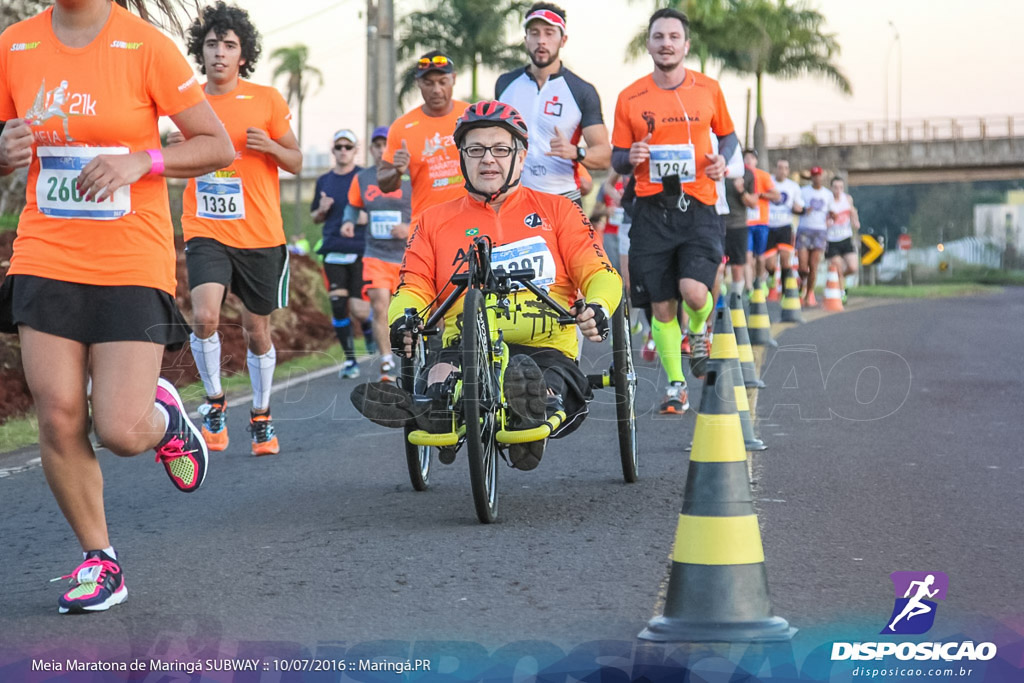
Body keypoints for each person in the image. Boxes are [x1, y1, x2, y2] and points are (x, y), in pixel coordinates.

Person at [0, 0, 234, 614]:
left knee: (120, 429)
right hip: (45, 251)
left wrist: (144, 159)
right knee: (57, 415)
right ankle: (99, 559)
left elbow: (217, 144)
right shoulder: (15, 45)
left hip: (131, 257)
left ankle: (164, 424)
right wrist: (2, 151)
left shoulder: (145, 46)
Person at [351, 101, 621, 471]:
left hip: (544, 347)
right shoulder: (432, 221)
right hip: (463, 348)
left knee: (542, 376)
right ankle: (431, 406)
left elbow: (598, 271)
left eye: (500, 149)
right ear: (461, 158)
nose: (488, 160)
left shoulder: (559, 211)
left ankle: (531, 406)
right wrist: (404, 319)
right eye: (476, 150)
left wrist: (598, 306)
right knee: (443, 378)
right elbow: (412, 286)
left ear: (520, 158)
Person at [175, 1, 302, 456]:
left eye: (229, 45)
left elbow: (296, 160)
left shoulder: (265, 100)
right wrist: (173, 147)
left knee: (256, 330)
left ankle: (262, 416)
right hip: (206, 229)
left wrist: (270, 145)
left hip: (261, 235)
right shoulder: (187, 102)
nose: (220, 53)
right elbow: (163, 160)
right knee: (205, 316)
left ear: (243, 54)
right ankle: (214, 404)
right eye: (212, 44)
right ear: (201, 51)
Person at [610, 7, 739, 415]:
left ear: (685, 45)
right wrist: (630, 156)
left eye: (673, 36)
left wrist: (723, 161)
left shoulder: (709, 89)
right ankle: (675, 385)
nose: (666, 43)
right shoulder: (629, 97)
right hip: (650, 209)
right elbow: (615, 159)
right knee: (661, 306)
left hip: (699, 205)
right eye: (658, 36)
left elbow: (729, 137)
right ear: (648, 45)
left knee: (694, 292)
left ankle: (699, 329)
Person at [495, 2, 611, 205]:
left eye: (549, 33)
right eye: (534, 33)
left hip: (564, 198)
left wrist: (576, 152)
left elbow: (604, 155)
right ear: (526, 39)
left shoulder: (581, 90)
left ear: (563, 40)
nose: (541, 41)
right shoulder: (505, 84)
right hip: (514, 198)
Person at [342, 125, 413, 382]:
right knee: (380, 304)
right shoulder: (362, 178)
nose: (381, 149)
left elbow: (428, 210)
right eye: (377, 145)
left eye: (386, 145)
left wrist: (409, 227)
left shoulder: (411, 176)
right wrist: (348, 222)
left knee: (412, 311)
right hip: (376, 255)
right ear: (371, 149)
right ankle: (386, 361)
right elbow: (353, 206)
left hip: (408, 256)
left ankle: (421, 355)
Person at [377, 51, 468, 218]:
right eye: (428, 83)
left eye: (442, 82)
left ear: (453, 79)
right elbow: (384, 183)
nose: (436, 90)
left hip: (470, 221)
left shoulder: (470, 116)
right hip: (425, 226)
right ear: (418, 82)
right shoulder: (402, 127)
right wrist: (397, 171)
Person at [311, 128, 370, 379]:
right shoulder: (324, 181)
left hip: (360, 249)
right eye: (339, 147)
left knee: (359, 310)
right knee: (337, 303)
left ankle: (369, 332)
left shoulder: (365, 178)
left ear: (356, 150)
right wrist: (322, 209)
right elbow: (315, 217)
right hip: (333, 248)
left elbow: (375, 212)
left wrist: (361, 217)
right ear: (333, 151)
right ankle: (350, 361)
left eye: (348, 147)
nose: (343, 151)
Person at [764, 158, 804, 292]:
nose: (782, 171)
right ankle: (771, 275)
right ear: (775, 168)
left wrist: (798, 208)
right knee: (770, 264)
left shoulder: (793, 186)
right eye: (780, 167)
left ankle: (786, 291)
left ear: (788, 171)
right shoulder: (768, 181)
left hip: (785, 226)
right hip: (769, 226)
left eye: (785, 168)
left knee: (785, 260)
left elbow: (799, 206)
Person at [743, 148, 779, 292]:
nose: (749, 160)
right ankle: (749, 286)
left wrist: (761, 195)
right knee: (747, 256)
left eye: (751, 158)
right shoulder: (739, 176)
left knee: (760, 257)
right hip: (745, 223)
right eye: (746, 158)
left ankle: (760, 280)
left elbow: (776, 196)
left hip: (761, 222)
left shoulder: (763, 176)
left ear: (756, 160)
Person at [796, 166, 831, 306]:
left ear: (821, 177)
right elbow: (796, 208)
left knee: (813, 265)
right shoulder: (803, 192)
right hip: (804, 228)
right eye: (814, 175)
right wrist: (804, 210)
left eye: (819, 175)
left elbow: (831, 211)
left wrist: (832, 216)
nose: (817, 178)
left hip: (820, 230)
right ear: (811, 177)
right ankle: (801, 281)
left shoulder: (827, 194)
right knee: (804, 266)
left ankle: (809, 294)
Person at [826, 176, 860, 298]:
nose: (838, 190)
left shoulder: (847, 199)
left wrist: (855, 221)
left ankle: (839, 280)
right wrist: (828, 221)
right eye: (835, 187)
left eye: (840, 187)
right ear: (831, 188)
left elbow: (852, 211)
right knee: (838, 267)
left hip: (846, 238)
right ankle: (842, 293)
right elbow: (821, 219)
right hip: (832, 239)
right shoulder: (827, 201)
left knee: (853, 267)